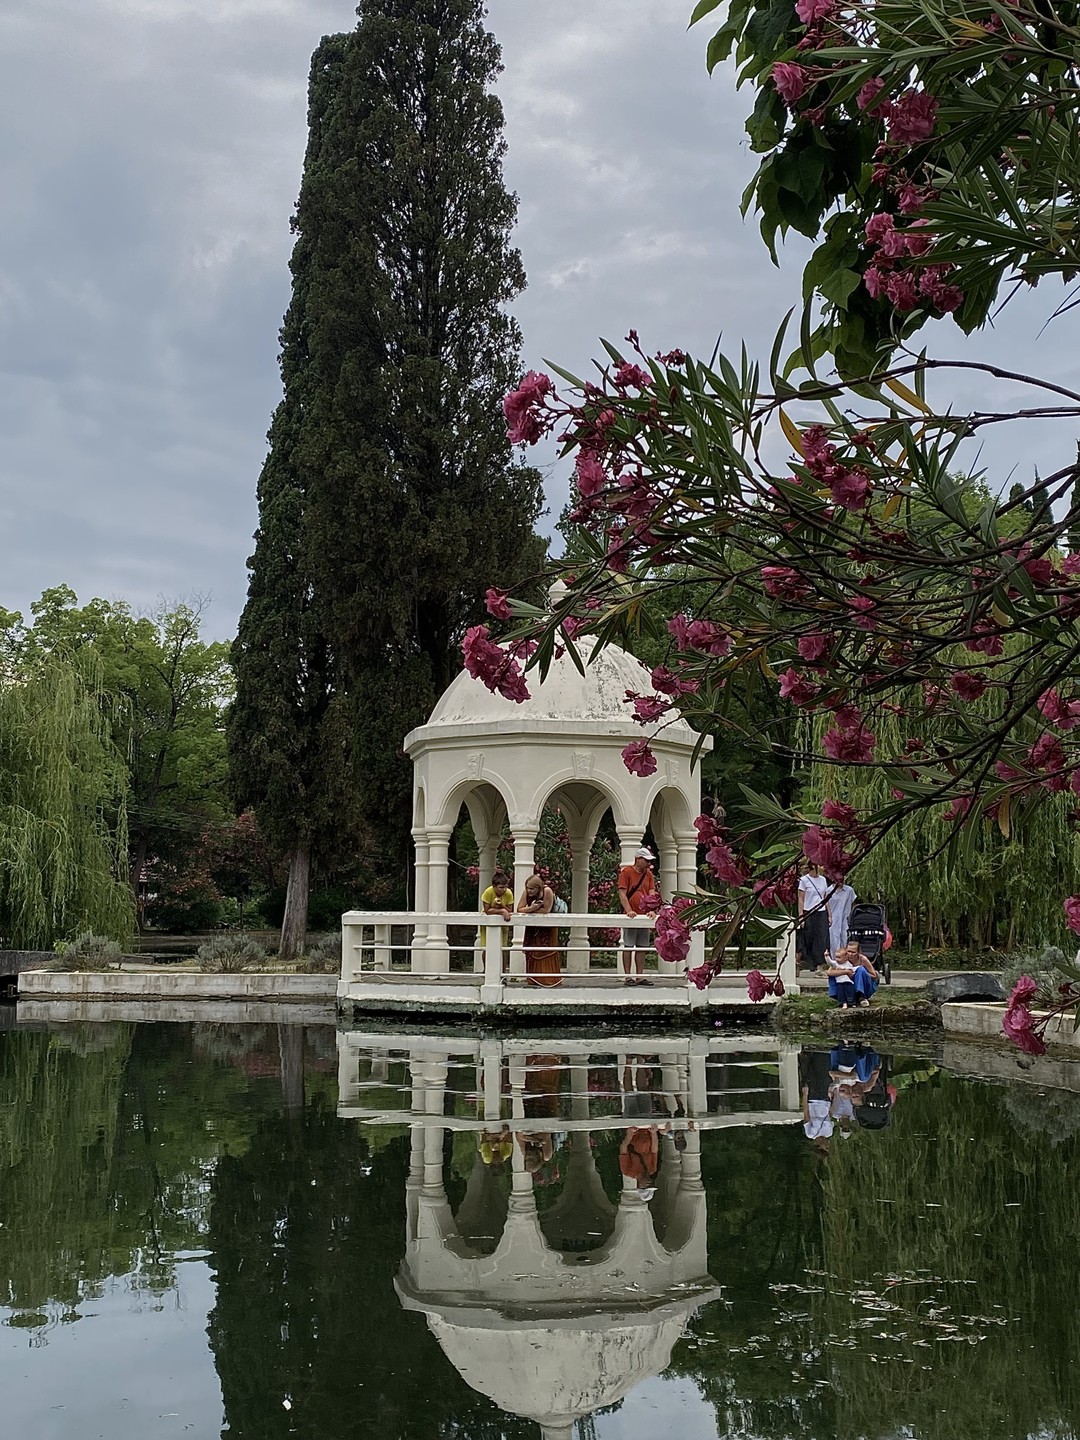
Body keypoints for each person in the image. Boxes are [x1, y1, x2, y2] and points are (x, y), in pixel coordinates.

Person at [618, 846, 660, 986]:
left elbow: (652, 892)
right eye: (646, 860)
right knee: (628, 945)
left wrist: (652, 909)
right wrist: (628, 910)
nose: (648, 863)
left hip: (644, 915)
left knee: (642, 946)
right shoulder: (626, 872)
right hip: (631, 916)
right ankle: (628, 976)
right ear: (638, 859)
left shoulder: (648, 874)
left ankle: (639, 976)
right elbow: (622, 893)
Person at [517, 873, 561, 986]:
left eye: (532, 889)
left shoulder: (547, 891)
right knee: (532, 950)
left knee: (545, 950)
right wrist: (532, 908)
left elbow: (546, 910)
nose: (529, 891)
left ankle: (547, 979)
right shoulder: (527, 892)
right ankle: (533, 978)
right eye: (527, 888)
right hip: (532, 927)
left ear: (538, 887)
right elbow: (519, 909)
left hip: (547, 928)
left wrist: (530, 910)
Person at [797, 861, 831, 972]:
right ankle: (804, 962)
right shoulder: (804, 880)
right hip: (808, 911)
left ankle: (819, 964)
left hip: (821, 911)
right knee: (808, 937)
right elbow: (801, 899)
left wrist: (829, 915)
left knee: (821, 938)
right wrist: (801, 916)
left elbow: (825, 897)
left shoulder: (823, 880)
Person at [480, 867, 515, 968]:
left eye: (505, 887)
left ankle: (503, 970)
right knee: (486, 948)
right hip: (488, 922)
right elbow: (487, 910)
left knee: (503, 947)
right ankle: (486, 970)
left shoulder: (508, 893)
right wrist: (501, 911)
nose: (503, 890)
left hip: (502, 923)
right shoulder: (488, 892)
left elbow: (510, 910)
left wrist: (502, 906)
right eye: (501, 887)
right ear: (494, 886)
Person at [826, 877, 856, 963]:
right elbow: (826, 905)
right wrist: (829, 916)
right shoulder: (829, 891)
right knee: (834, 940)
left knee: (844, 938)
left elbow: (853, 903)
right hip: (834, 918)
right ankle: (835, 960)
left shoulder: (849, 890)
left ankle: (845, 960)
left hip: (845, 918)